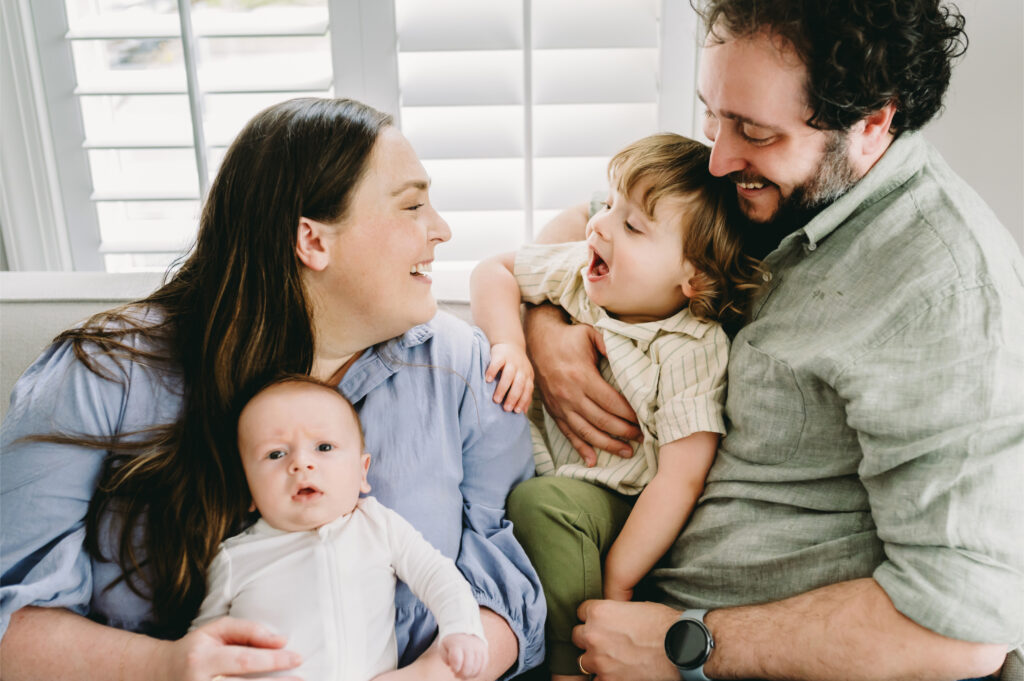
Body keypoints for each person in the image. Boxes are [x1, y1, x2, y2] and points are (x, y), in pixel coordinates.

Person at [522, 1, 1024, 680]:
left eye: (754, 131)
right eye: (712, 114)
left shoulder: (949, 291)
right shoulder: (766, 183)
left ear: (872, 122)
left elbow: (960, 629)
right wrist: (547, 332)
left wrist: (685, 644)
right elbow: (579, 225)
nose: (721, 158)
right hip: (618, 582)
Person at [0, 97, 545, 681]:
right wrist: (166, 664)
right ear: (313, 241)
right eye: (412, 205)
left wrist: (437, 674)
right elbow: (12, 615)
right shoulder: (104, 374)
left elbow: (509, 576)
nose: (441, 230)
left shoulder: (462, 365)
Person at [470, 134, 759, 681]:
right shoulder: (581, 272)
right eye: (608, 205)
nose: (599, 225)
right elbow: (494, 270)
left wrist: (620, 581)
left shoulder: (691, 349)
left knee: (543, 506)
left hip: (620, 505)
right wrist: (510, 341)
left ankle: (569, 662)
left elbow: (680, 479)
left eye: (632, 226)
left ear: (691, 277)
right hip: (541, 469)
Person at [192, 376, 489, 681]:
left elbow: (436, 575)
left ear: (362, 472)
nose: (301, 463)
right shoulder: (235, 558)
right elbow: (202, 648)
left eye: (323, 447)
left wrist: (462, 628)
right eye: (276, 454)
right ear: (249, 490)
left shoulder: (377, 526)